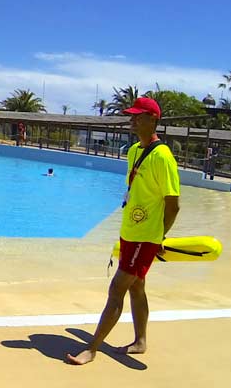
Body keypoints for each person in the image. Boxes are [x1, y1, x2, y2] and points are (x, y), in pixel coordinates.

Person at [67, 97, 180, 365]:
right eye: (132, 116)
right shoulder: (133, 151)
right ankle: (140, 341)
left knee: (116, 288)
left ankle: (92, 348)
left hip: (145, 237)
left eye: (138, 116)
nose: (132, 120)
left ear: (153, 119)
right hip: (130, 232)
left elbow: (173, 205)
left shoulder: (163, 157)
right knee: (137, 287)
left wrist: (158, 237)